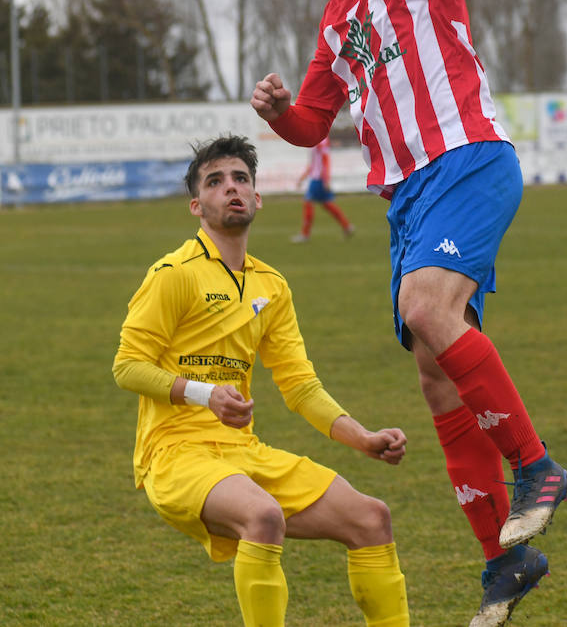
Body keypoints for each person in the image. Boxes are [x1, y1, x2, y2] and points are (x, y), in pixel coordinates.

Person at [251, 0, 567, 627]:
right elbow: (310, 121)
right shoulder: (334, 22)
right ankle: (505, 562)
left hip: (466, 157)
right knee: (435, 377)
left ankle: (538, 468)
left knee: (425, 307)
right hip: (406, 199)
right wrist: (275, 115)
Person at [112, 134, 410, 627]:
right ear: (196, 205)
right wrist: (206, 395)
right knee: (263, 515)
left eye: (240, 179)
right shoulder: (172, 273)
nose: (231, 188)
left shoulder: (272, 286)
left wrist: (363, 438)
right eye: (215, 181)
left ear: (257, 197)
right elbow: (126, 366)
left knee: (371, 518)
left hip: (242, 453)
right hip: (175, 454)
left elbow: (300, 386)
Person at [291, 136, 355, 242]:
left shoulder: (321, 139)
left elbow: (325, 160)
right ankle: (347, 226)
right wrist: (303, 177)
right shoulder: (316, 138)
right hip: (318, 177)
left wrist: (326, 179)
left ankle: (305, 234)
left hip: (318, 178)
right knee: (327, 203)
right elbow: (313, 163)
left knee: (308, 202)